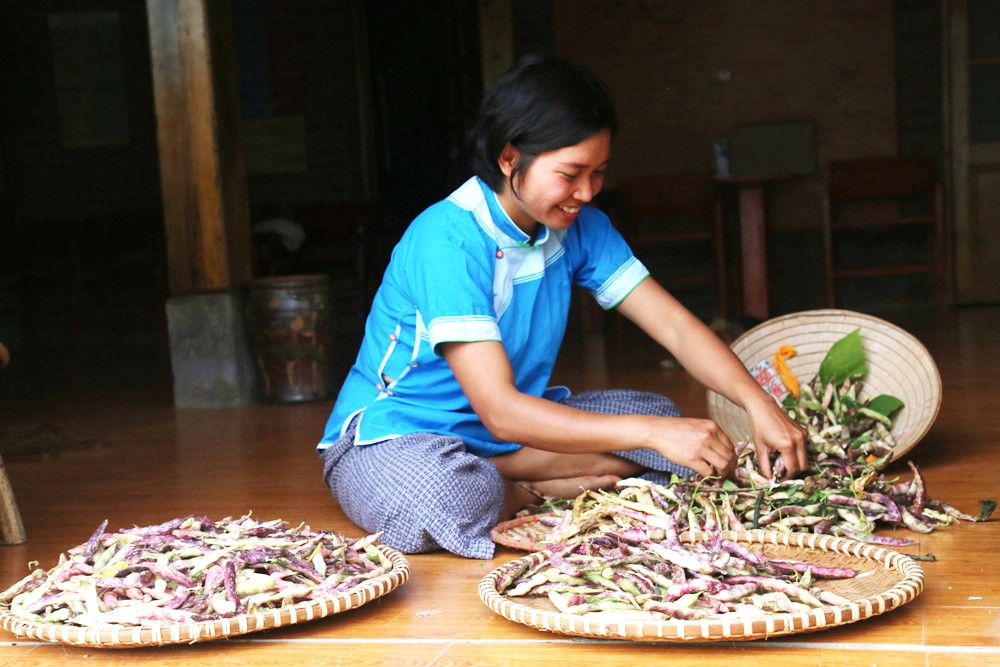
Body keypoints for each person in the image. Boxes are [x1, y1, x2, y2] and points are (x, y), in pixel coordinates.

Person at [317, 56, 806, 559]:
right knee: (450, 499)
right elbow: (502, 412)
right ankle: (518, 484)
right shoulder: (447, 240)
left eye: (598, 173)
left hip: (501, 430)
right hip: (396, 435)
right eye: (571, 173)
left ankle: (511, 474)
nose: (587, 193)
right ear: (509, 158)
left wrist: (759, 404)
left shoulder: (580, 228)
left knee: (666, 421)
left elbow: (677, 327)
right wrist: (650, 436)